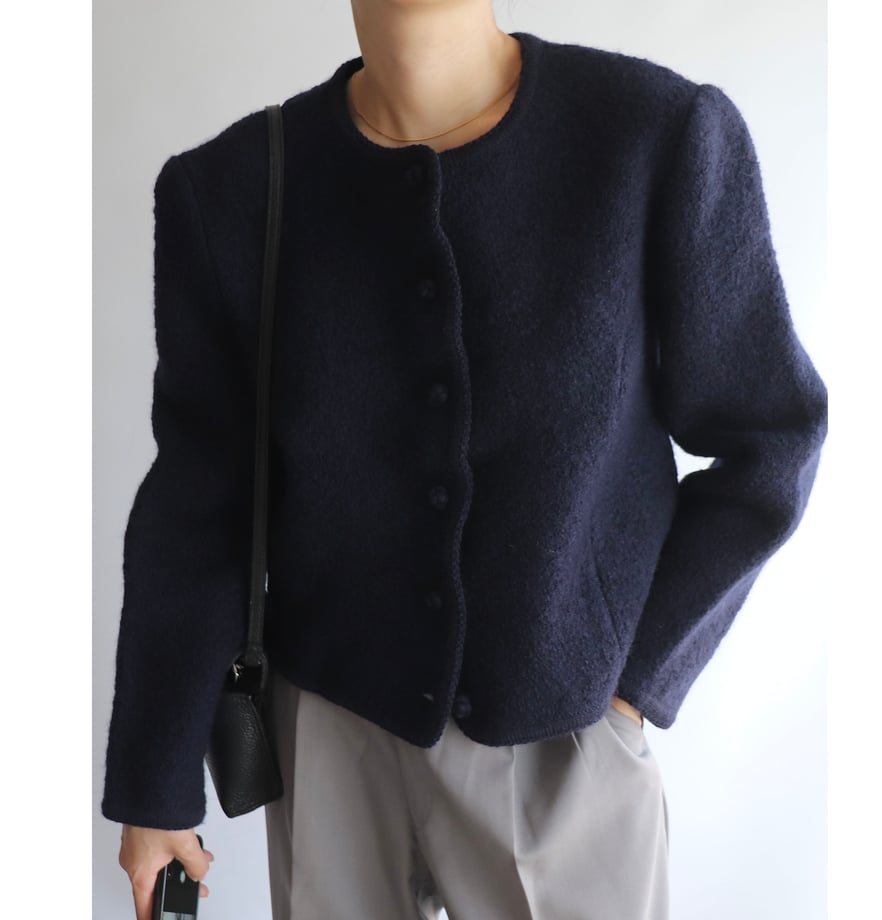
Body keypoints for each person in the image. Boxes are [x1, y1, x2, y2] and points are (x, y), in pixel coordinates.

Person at [102, 4, 829, 919]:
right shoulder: (231, 190)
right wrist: (156, 780)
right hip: (332, 735)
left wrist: (635, 683)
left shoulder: (653, 138)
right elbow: (197, 501)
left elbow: (771, 435)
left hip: (567, 742)